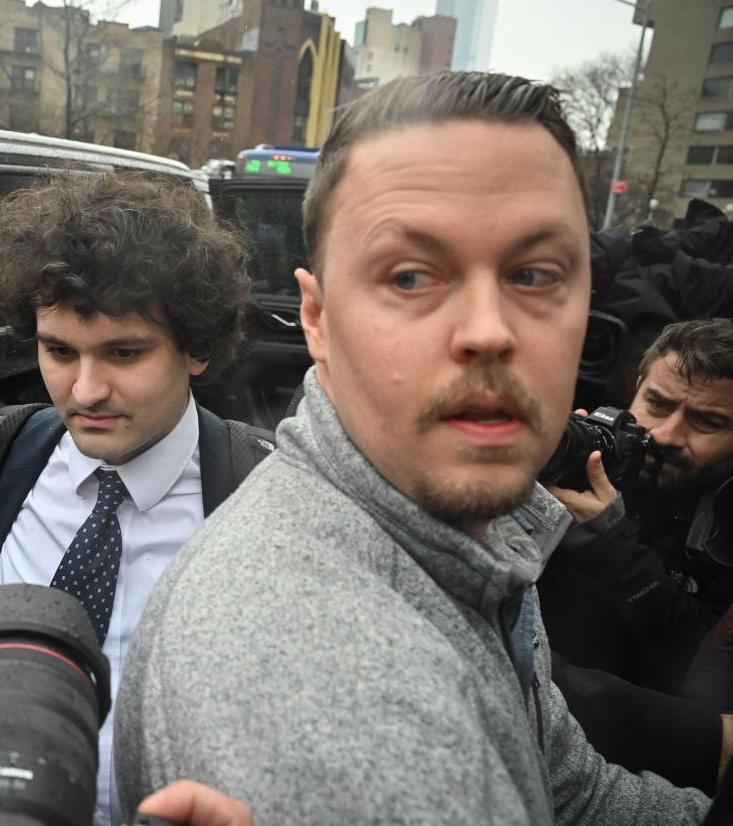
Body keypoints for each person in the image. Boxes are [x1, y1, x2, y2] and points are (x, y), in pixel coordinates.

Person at [115, 71, 710, 824]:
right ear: (317, 319)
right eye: (409, 275)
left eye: (533, 273)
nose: (488, 330)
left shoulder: (474, 528)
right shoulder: (336, 691)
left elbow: (572, 789)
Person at [0, 171, 272, 826]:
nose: (85, 391)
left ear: (195, 348)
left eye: (124, 353)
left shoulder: (262, 498)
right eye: (58, 351)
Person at [539, 318, 733, 700]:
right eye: (657, 404)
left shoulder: (725, 532)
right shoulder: (587, 455)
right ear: (635, 388)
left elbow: (708, 669)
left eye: (707, 421)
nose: (665, 435)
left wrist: (609, 543)